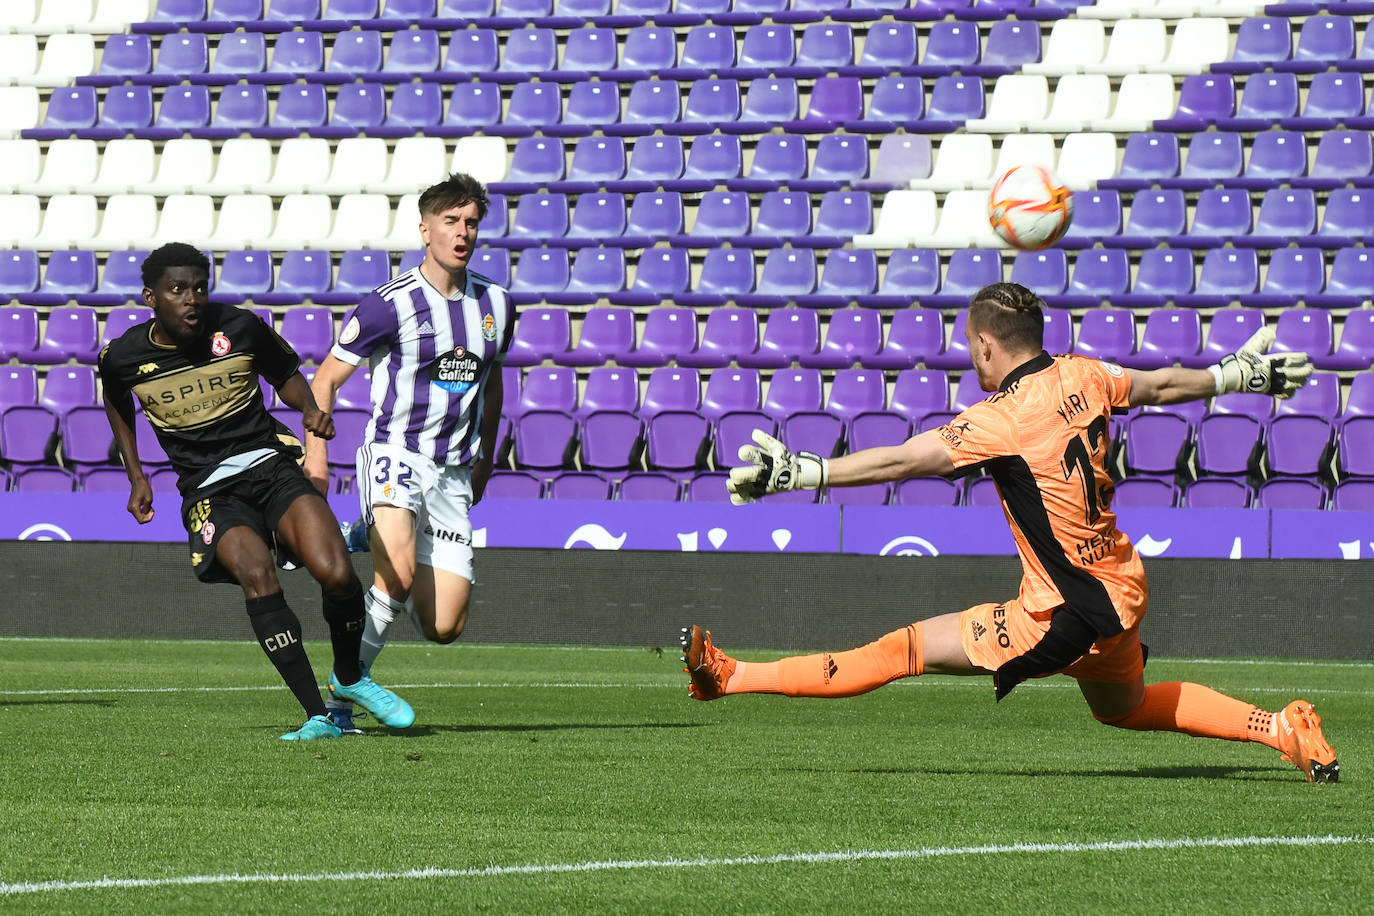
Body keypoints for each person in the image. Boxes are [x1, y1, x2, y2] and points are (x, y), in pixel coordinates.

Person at [684, 282, 1339, 783]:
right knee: (1125, 707)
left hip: (1057, 613)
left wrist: (807, 471)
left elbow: (906, 459)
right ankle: (1279, 727)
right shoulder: (1086, 373)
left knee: (896, 652)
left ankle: (731, 676)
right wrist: (1237, 376)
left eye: (972, 347)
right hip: (1120, 585)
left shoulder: (1003, 418)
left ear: (987, 347)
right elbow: (1162, 384)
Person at [98, 242, 414, 740]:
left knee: (336, 574)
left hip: (270, 465)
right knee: (258, 576)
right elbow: (116, 402)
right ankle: (318, 715)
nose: (192, 298)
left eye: (199, 287)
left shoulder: (240, 327)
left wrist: (309, 408)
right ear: (150, 297)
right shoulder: (123, 356)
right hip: (209, 489)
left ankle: (350, 677)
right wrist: (137, 475)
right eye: (177, 289)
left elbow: (285, 374)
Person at [303, 172, 515, 733]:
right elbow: (322, 382)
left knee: (444, 625)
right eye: (451, 222)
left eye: (471, 222)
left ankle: (363, 530)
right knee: (393, 574)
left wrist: (487, 455)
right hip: (396, 451)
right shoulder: (386, 306)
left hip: (451, 474)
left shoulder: (496, 303)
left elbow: (490, 384)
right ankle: (340, 704)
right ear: (426, 229)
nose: (462, 232)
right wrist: (316, 461)